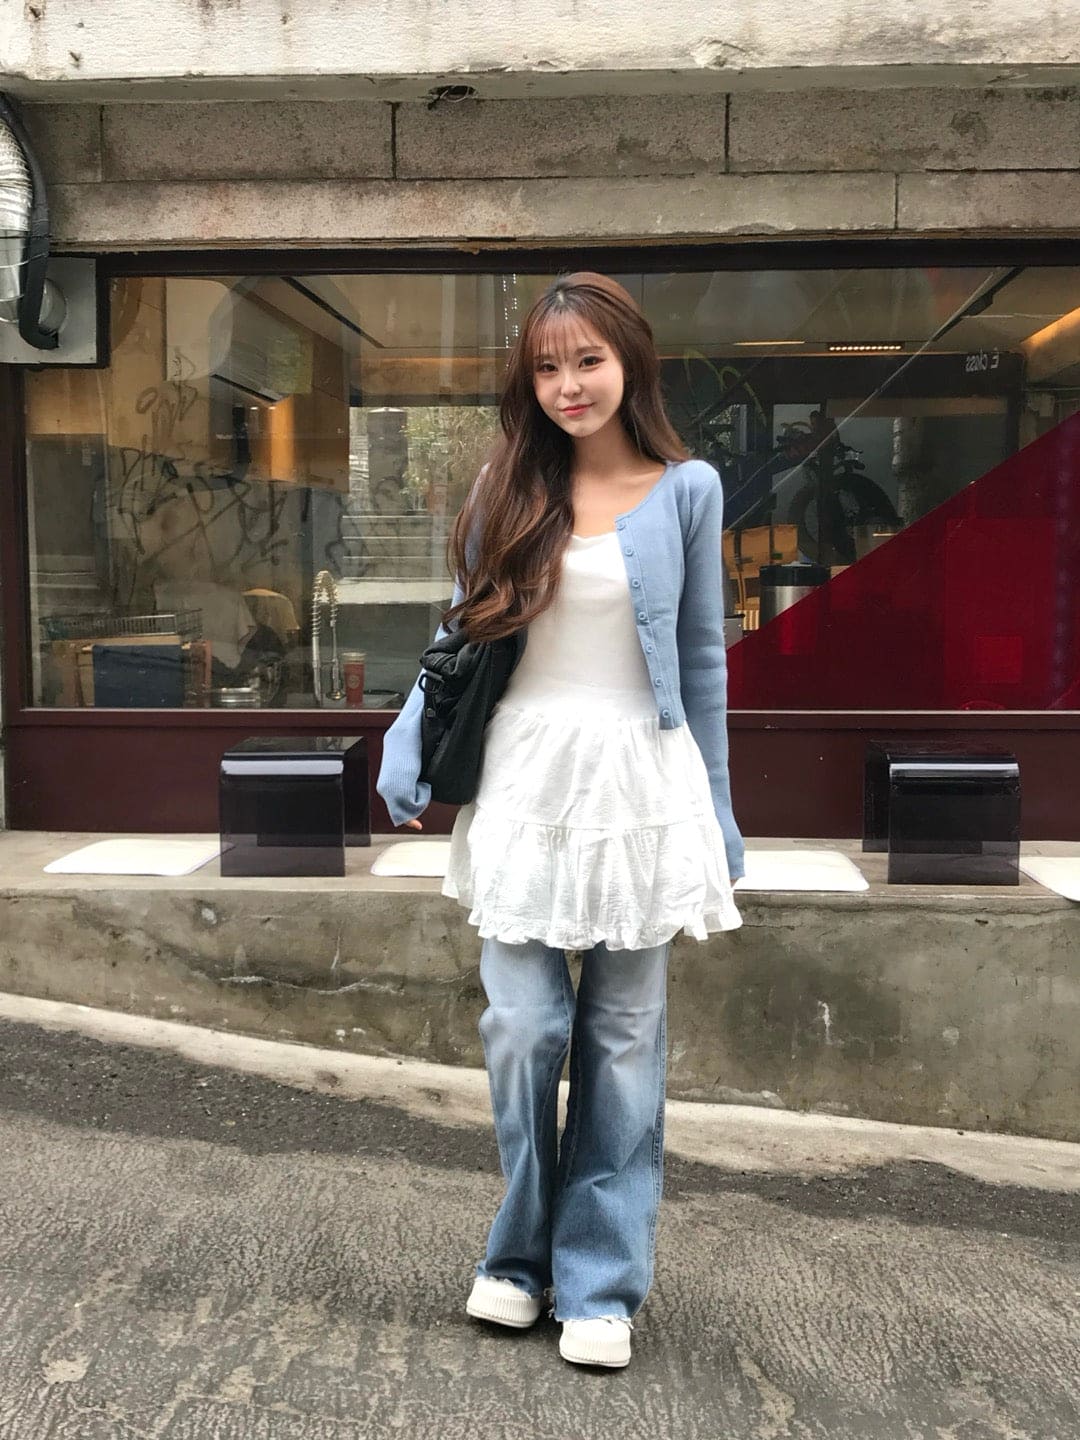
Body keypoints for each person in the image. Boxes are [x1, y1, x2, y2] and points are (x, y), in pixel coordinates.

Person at [377, 272, 744, 1370]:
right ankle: (519, 1255)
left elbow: (702, 660)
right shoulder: (507, 483)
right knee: (527, 1027)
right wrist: (406, 735)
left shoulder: (688, 489)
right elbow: (459, 632)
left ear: (629, 361)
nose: (568, 384)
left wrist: (722, 809)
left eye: (587, 360)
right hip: (527, 780)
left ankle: (600, 1283)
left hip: (643, 784)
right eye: (547, 367)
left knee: (623, 1045)